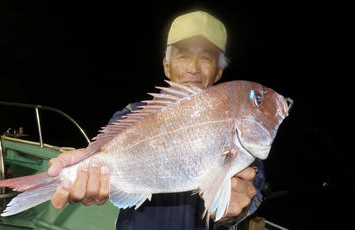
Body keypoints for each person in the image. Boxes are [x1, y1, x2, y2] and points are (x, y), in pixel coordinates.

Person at [47, 11, 265, 229]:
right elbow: (105, 157)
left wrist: (235, 209)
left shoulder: (239, 131)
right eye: (183, 56)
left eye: (206, 58)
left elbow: (251, 191)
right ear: (166, 66)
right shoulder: (130, 116)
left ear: (218, 72)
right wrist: (86, 165)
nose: (194, 68)